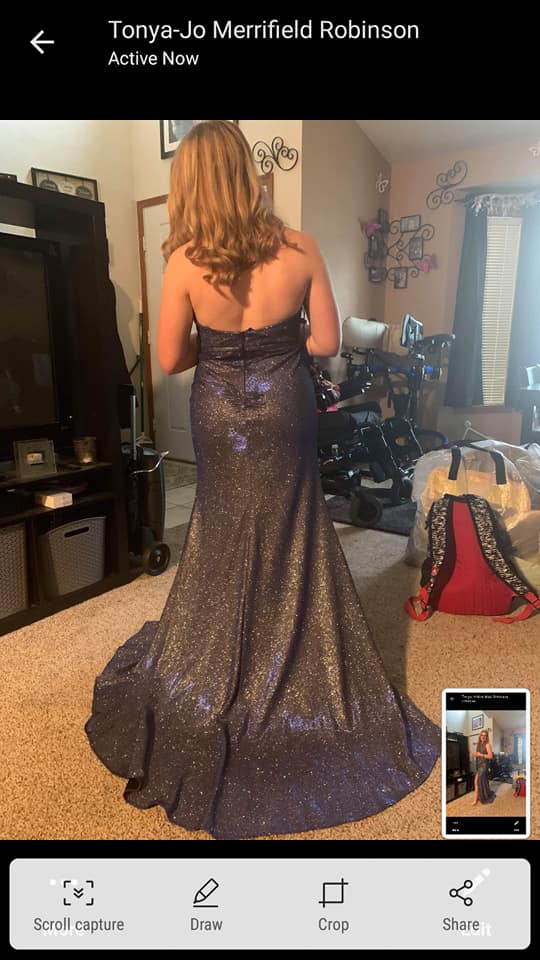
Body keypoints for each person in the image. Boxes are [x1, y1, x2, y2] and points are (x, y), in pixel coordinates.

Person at [85, 120, 439, 839]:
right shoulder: (300, 247)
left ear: (191, 185)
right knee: (294, 524)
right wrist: (279, 340)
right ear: (248, 176)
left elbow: (169, 359)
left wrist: (222, 347)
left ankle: (224, 656)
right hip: (285, 406)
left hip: (220, 411)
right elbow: (327, 343)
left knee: (222, 529)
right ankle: (296, 649)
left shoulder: (186, 260)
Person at [471, 730, 496, 806]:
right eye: (482, 735)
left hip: (484, 765)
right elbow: (478, 755)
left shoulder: (487, 745)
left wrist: (480, 755)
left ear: (486, 737)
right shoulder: (479, 744)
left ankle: (475, 799)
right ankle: (484, 794)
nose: (483, 736)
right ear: (480, 736)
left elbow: (490, 756)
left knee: (476, 781)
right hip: (478, 765)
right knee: (481, 782)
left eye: (485, 735)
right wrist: (475, 754)